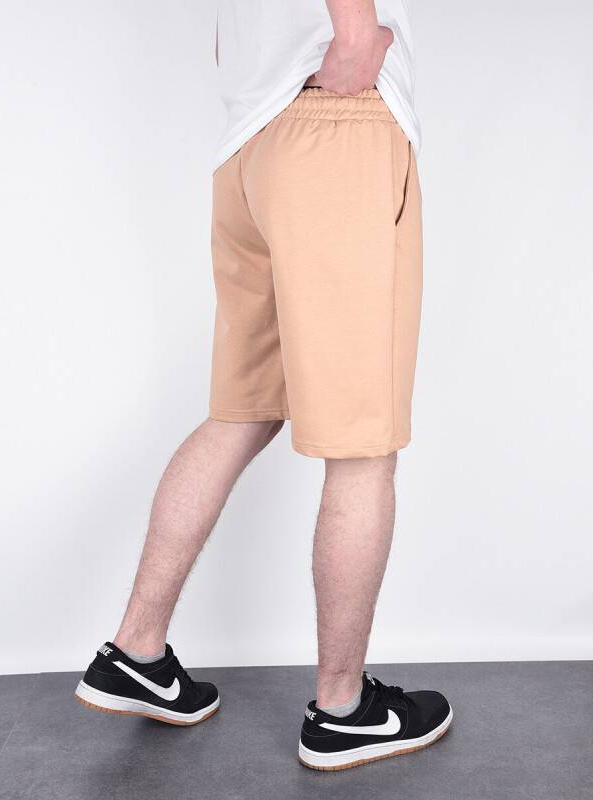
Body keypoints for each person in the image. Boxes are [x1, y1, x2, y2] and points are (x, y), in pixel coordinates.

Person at [74, 0, 452, 771]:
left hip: (248, 146)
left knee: (241, 413)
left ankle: (136, 651)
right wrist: (356, 32)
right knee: (363, 442)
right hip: (336, 131)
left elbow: (228, 42)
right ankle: (343, 710)